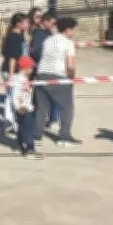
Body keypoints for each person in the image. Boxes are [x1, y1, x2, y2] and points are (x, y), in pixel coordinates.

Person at [35, 17, 81, 147]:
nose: (74, 32)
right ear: (68, 30)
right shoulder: (68, 43)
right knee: (66, 107)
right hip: (58, 77)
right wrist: (71, 79)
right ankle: (64, 137)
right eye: (73, 30)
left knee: (42, 107)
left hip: (41, 75)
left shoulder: (48, 40)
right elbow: (70, 66)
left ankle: (37, 136)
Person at [0, 13, 29, 133]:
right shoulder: (15, 37)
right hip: (12, 71)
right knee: (15, 98)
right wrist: (11, 75)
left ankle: (9, 122)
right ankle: (13, 124)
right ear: (18, 24)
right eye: (25, 22)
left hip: (7, 70)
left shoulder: (14, 36)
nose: (27, 24)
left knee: (9, 96)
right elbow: (12, 57)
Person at [30, 11, 58, 131]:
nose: (53, 25)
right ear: (45, 22)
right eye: (52, 23)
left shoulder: (48, 33)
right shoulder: (38, 34)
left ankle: (53, 119)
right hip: (43, 69)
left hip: (52, 69)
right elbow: (35, 52)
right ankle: (36, 123)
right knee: (40, 98)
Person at [12, 56, 43, 160]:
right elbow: (17, 94)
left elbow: (26, 94)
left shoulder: (23, 78)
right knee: (29, 129)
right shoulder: (19, 80)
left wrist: (30, 105)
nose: (32, 70)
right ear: (25, 68)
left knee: (21, 128)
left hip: (26, 106)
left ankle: (20, 146)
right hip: (23, 108)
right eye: (31, 68)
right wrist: (20, 106)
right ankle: (30, 149)